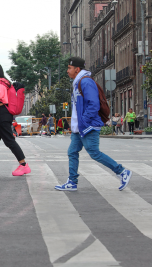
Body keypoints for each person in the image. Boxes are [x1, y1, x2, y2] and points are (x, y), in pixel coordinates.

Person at [55, 57, 132, 191]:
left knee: (94, 153)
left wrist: (83, 121)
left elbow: (94, 104)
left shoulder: (85, 82)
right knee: (72, 152)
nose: (67, 71)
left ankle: (122, 171)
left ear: (77, 69)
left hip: (88, 126)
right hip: (79, 128)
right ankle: (72, 182)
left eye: (69, 68)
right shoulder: (78, 82)